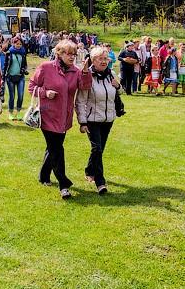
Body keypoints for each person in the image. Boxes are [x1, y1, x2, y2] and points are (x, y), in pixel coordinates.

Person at [29, 39, 93, 199]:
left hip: (64, 117)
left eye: (74, 54)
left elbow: (85, 86)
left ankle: (44, 176)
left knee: (53, 148)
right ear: (59, 53)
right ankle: (64, 184)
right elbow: (32, 86)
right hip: (48, 115)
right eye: (68, 53)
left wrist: (85, 71)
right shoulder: (46, 67)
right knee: (57, 149)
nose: (72, 57)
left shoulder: (76, 71)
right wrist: (45, 93)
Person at [75, 46, 121, 195]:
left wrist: (118, 86)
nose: (103, 61)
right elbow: (80, 101)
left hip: (108, 118)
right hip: (92, 119)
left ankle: (89, 170)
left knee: (99, 149)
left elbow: (119, 92)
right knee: (97, 148)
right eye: (100, 59)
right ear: (92, 60)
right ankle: (100, 182)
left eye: (105, 58)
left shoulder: (111, 74)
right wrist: (82, 122)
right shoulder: (87, 76)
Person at [3, 37, 28, 121]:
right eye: (17, 44)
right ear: (13, 43)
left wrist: (24, 69)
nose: (19, 46)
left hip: (20, 77)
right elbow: (5, 65)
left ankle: (18, 113)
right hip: (10, 77)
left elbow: (25, 64)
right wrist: (3, 77)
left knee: (20, 96)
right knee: (12, 96)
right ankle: (10, 113)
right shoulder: (9, 53)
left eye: (20, 44)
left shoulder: (23, 53)